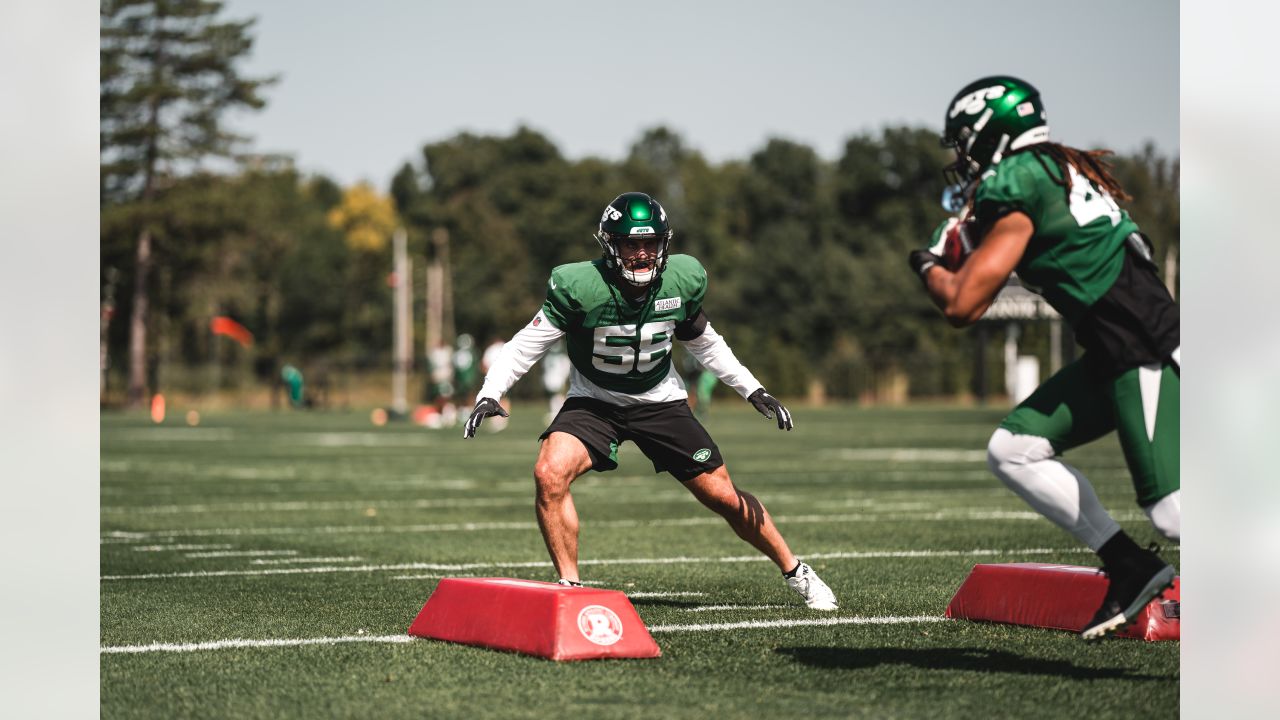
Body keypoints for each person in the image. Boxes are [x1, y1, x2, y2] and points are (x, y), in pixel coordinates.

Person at [464, 191, 838, 610]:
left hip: (661, 402)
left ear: (664, 244)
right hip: (596, 402)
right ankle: (570, 589)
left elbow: (705, 343)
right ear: (610, 245)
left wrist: (752, 388)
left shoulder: (682, 279)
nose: (641, 254)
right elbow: (524, 345)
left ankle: (796, 570)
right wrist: (489, 393)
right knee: (549, 473)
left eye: (650, 243)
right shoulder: (580, 286)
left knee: (724, 497)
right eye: (630, 244)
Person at [909, 77, 1179, 639]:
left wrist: (929, 262)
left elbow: (963, 305)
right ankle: (1131, 567)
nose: (962, 157)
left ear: (990, 133)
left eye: (965, 142)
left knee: (1173, 512)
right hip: (1116, 347)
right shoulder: (1060, 169)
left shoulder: (1016, 179)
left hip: (1143, 346)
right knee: (1014, 450)